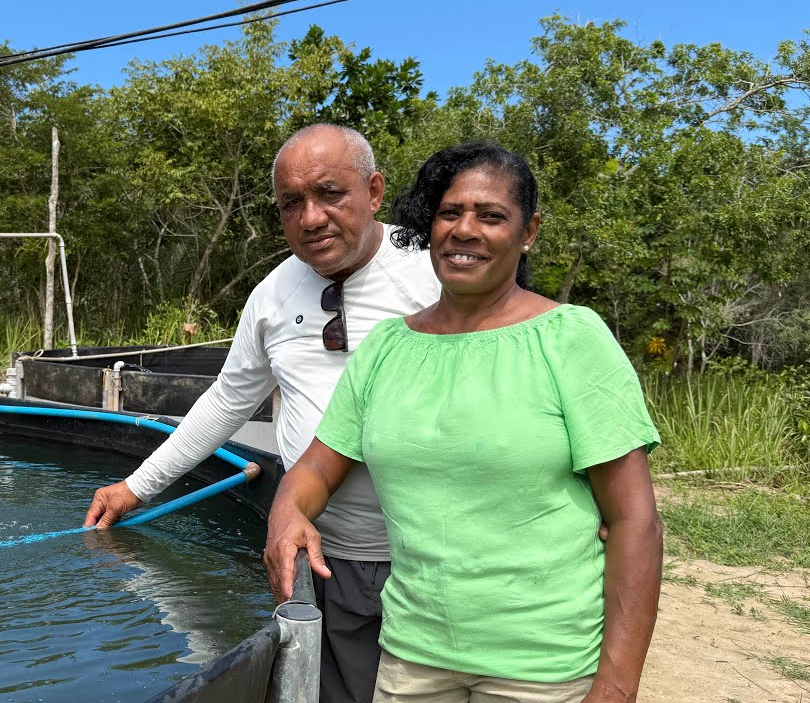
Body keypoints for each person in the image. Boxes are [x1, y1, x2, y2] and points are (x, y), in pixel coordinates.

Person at [264, 142, 663, 703]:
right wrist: (287, 515)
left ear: (529, 232)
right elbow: (316, 467)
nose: (465, 230)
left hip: (543, 666)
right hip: (410, 658)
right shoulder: (387, 347)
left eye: (492, 215)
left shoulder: (573, 339)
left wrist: (616, 689)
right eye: (449, 213)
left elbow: (635, 522)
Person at [84, 123, 442, 703]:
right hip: (327, 561)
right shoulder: (273, 294)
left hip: (437, 556)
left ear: (374, 192)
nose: (311, 218)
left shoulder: (434, 272)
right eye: (291, 203)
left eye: (331, 194)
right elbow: (229, 400)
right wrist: (135, 487)